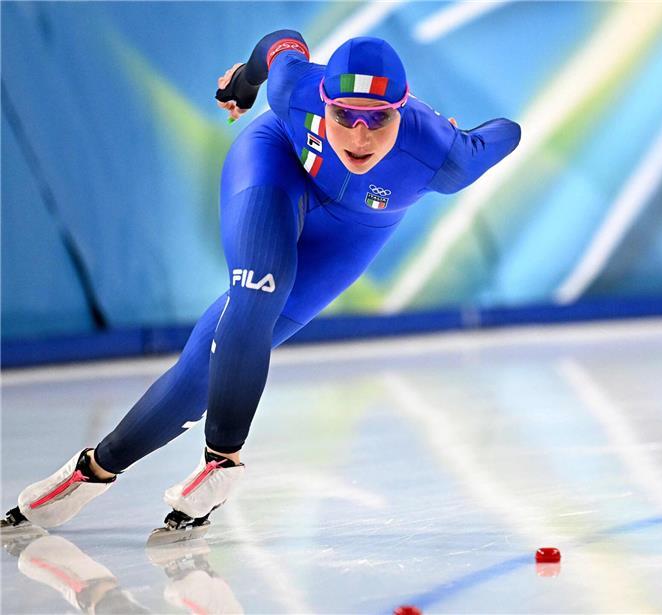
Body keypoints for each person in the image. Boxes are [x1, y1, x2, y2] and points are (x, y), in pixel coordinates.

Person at [1, 30, 521, 534]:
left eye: (377, 121)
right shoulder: (294, 87)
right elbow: (280, 41)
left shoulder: (443, 154)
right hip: (274, 170)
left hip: (350, 235)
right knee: (257, 291)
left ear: (401, 110)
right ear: (323, 102)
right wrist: (245, 83)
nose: (359, 137)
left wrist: (462, 130)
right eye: (344, 116)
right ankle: (222, 460)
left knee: (205, 366)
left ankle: (92, 471)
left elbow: (506, 132)